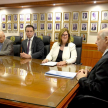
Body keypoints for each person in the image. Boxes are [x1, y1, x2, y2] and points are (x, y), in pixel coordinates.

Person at [68, 28, 108, 107]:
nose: (95, 42)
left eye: (98, 39)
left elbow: (98, 90)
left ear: (106, 40)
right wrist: (89, 74)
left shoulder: (106, 60)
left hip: (91, 101)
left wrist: (82, 79)